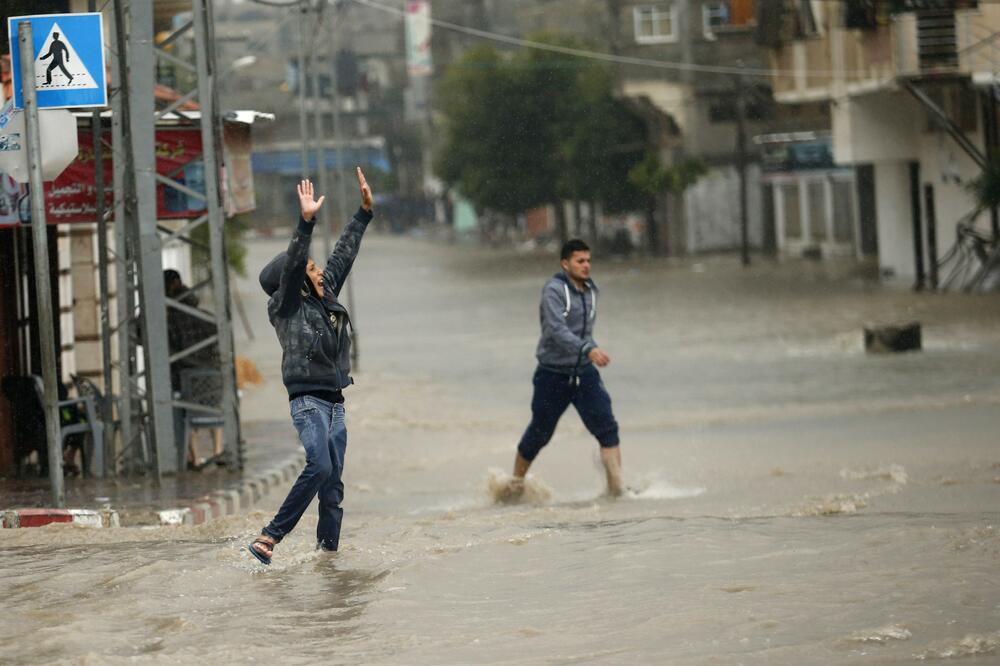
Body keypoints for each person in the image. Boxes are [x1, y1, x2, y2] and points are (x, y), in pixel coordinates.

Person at [248, 169, 373, 565]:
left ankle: (327, 560)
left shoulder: (324, 294)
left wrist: (364, 214)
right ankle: (270, 536)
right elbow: (294, 266)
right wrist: (305, 222)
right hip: (308, 402)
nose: (321, 273)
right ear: (299, 281)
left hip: (335, 402)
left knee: (333, 484)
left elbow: (341, 256)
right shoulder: (285, 307)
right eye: (312, 270)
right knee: (318, 465)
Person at [507, 239, 623, 498]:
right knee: (539, 434)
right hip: (553, 374)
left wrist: (591, 349)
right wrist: (588, 349)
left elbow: (585, 332)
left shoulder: (592, 291)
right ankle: (514, 485)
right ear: (565, 263)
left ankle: (618, 492)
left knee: (608, 429)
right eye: (580, 261)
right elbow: (555, 330)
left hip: (584, 373)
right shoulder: (554, 291)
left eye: (589, 260)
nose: (586, 266)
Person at [164, 269, 223, 469]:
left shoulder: (169, 324)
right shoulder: (206, 317)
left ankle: (194, 457)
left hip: (186, 383)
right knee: (215, 402)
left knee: (184, 406)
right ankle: (217, 450)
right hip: (211, 380)